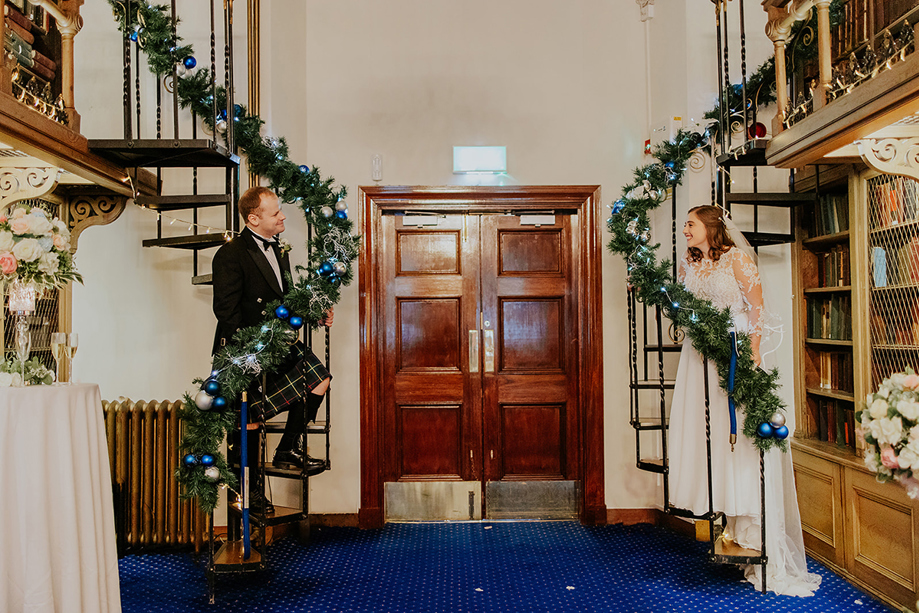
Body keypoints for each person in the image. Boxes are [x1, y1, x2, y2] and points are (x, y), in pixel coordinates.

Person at [668, 205, 821, 596]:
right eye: (686, 224)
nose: (685, 230)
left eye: (691, 224)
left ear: (711, 228)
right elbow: (684, 311)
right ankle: (724, 514)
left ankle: (751, 527)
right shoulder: (688, 265)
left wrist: (751, 353)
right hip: (698, 358)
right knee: (708, 434)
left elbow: (758, 312)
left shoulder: (736, 259)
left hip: (731, 356)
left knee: (739, 437)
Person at [212, 186, 333, 509]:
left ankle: (287, 448)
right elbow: (226, 311)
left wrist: (316, 313)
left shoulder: (280, 250)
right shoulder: (230, 254)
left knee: (319, 379)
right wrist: (250, 353)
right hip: (246, 350)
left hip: (278, 344)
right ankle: (250, 493)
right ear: (253, 219)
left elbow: (287, 301)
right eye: (275, 212)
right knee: (248, 421)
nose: (282, 216)